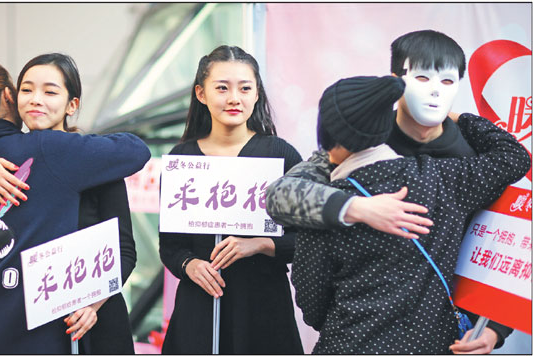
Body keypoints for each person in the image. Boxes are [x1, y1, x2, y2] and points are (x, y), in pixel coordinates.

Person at [265, 29, 513, 353]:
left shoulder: (475, 158)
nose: (435, 92)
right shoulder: (359, 141)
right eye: (422, 78)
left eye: (447, 82)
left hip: (447, 335)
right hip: (357, 335)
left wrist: (495, 326)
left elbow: (509, 238)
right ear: (397, 82)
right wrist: (356, 208)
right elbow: (281, 195)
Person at [0, 58, 150, 354]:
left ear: (72, 103)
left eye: (50, 92)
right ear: (11, 96)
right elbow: (136, 149)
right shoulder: (48, 149)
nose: (36, 100)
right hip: (31, 334)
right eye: (27, 90)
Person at [158, 45, 304, 354]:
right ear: (201, 93)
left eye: (245, 88)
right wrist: (190, 264)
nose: (234, 98)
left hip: (263, 309)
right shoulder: (181, 159)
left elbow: (308, 239)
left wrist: (260, 244)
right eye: (222, 88)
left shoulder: (281, 155)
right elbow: (170, 246)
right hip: (199, 307)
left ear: (257, 94)